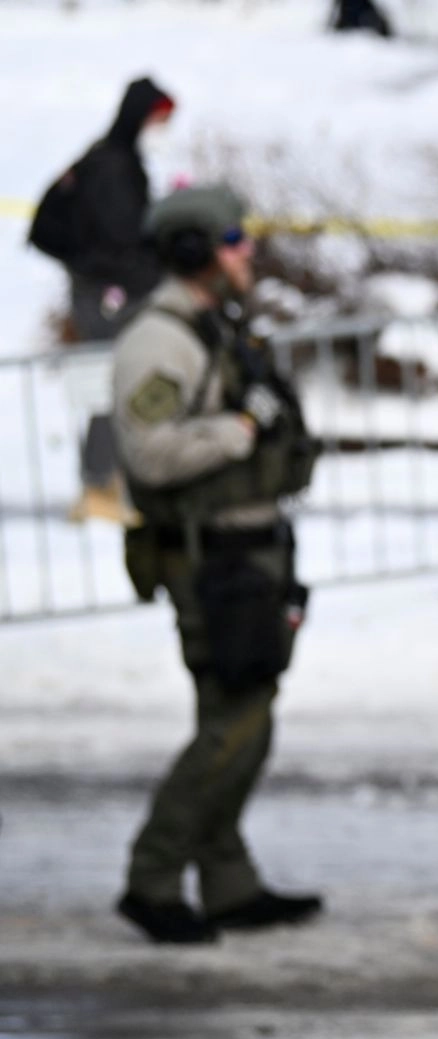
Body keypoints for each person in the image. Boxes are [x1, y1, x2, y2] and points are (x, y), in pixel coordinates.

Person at [111, 184, 322, 945]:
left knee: (242, 723)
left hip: (249, 552)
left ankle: (227, 880)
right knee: (234, 725)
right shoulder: (161, 340)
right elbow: (149, 452)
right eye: (232, 238)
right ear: (195, 249)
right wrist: (238, 431)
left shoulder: (217, 327)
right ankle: (153, 875)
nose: (247, 251)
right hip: (213, 561)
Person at [29, 77, 176, 525]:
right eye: (159, 121)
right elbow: (120, 243)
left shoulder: (112, 159)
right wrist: (156, 273)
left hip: (107, 291)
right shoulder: (113, 167)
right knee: (113, 384)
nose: (163, 130)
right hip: (107, 296)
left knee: (119, 382)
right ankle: (99, 484)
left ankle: (109, 481)